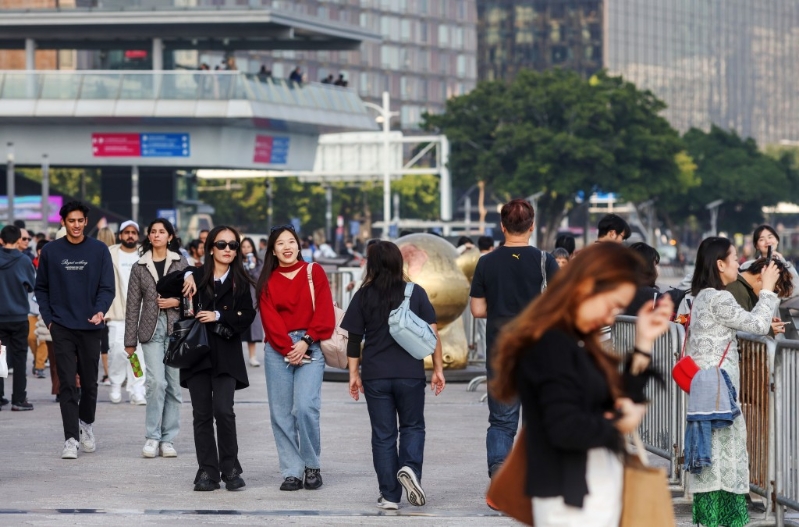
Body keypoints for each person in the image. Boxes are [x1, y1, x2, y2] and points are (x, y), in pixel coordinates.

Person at [490, 242, 673, 526]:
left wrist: (644, 343)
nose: (611, 317)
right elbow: (564, 426)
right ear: (587, 286)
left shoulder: (577, 340)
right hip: (569, 501)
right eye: (611, 305)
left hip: (590, 493)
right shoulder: (550, 343)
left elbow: (614, 398)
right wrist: (618, 424)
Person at [342, 241, 446, 510]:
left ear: (372, 265)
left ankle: (389, 495)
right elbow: (433, 334)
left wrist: (353, 374)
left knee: (383, 435)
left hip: (375, 374)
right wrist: (438, 369)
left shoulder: (363, 295)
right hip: (410, 374)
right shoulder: (415, 292)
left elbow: (354, 340)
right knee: (412, 426)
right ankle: (409, 468)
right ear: (399, 262)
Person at [687, 237, 780, 527]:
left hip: (705, 390)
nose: (738, 263)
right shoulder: (720, 298)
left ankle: (710, 518)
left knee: (710, 453)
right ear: (720, 264)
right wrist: (767, 289)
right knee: (725, 453)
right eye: (734, 258)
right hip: (720, 392)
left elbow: (742, 324)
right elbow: (757, 324)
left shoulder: (703, 297)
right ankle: (726, 519)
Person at [160, 226, 256, 491]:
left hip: (226, 355)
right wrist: (188, 273)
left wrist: (219, 316)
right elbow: (162, 286)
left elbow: (248, 316)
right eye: (222, 244)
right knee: (201, 414)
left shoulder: (240, 281)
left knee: (224, 411)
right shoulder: (196, 275)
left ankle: (231, 469)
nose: (227, 250)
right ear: (211, 248)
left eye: (233, 245)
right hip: (196, 353)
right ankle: (207, 471)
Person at [470, 198, 559, 477]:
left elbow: (477, 309)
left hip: (501, 353)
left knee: (501, 421)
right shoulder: (546, 261)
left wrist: (500, 308)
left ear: (502, 227)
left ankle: (499, 470)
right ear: (532, 226)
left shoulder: (486, 262)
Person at [257, 225, 335, 491]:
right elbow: (270, 320)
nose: (287, 247)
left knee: (305, 407)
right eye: (280, 243)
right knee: (280, 413)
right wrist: (287, 348)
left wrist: (305, 342)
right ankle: (292, 471)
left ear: (298, 246)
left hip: (311, 345)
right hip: (277, 349)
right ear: (273, 250)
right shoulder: (267, 280)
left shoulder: (314, 271)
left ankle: (312, 465)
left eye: (291, 241)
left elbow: (324, 312)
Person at [35, 201, 115, 459]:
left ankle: (86, 425)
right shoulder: (51, 251)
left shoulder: (99, 250)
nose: (77, 225)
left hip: (91, 325)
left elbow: (107, 287)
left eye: (80, 220)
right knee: (68, 383)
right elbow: (41, 288)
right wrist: (50, 320)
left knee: (90, 384)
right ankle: (71, 438)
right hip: (62, 326)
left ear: (86, 222)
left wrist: (100, 310)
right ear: (63, 222)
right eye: (72, 221)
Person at [124, 219, 187, 458]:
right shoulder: (139, 266)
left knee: (174, 387)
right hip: (150, 330)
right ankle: (152, 436)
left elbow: (193, 296)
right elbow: (132, 306)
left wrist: (176, 302)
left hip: (176, 330)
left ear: (170, 236)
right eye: (153, 232)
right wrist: (129, 342)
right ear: (148, 236)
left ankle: (168, 439)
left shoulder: (181, 262)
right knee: (156, 383)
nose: (157, 235)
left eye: (162, 232)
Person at [106, 220, 147, 405]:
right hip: (116, 313)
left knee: (137, 354)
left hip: (140, 314)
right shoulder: (110, 254)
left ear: (137, 236)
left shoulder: (145, 255)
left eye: (133, 232)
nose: (130, 235)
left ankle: (137, 389)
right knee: (117, 351)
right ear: (120, 235)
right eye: (127, 232)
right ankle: (115, 384)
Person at [0, 225, 37, 411]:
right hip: (19, 317)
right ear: (18, 240)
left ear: (1, 240)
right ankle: (18, 399)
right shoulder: (24, 261)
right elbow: (32, 286)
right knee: (20, 358)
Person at [727, 257, 793, 336]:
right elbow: (740, 333)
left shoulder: (742, 289)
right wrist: (768, 330)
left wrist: (763, 320)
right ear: (760, 278)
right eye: (774, 291)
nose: (772, 294)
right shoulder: (738, 291)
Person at [239, 237, 264, 367]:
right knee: (237, 328)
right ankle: (237, 357)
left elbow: (259, 279)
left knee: (252, 329)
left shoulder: (258, 262)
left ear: (253, 248)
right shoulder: (236, 262)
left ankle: (252, 356)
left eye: (248, 247)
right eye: (243, 247)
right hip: (239, 299)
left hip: (253, 299)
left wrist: (252, 266)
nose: (246, 249)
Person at [96, 226, 115, 386]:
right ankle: (136, 375)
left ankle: (109, 375)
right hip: (122, 309)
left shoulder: (96, 255)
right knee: (131, 346)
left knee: (105, 344)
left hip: (104, 307)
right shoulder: (118, 255)